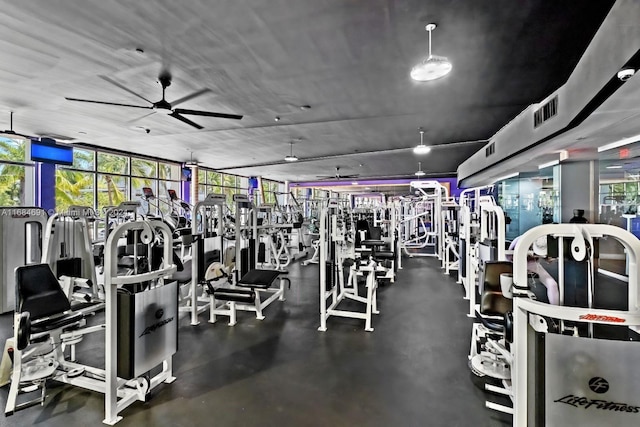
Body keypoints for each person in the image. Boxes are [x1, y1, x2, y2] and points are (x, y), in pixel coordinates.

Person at [508, 235, 559, 305]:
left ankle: (555, 312)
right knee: (520, 289)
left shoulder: (544, 241)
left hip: (532, 264)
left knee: (552, 284)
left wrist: (546, 258)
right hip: (516, 264)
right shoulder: (520, 240)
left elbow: (545, 257)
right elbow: (508, 256)